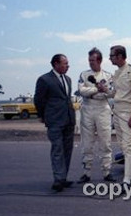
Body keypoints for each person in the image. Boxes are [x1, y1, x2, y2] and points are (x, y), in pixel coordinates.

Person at [34, 54, 76, 192]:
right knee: (57, 149)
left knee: (67, 150)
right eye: (65, 63)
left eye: (67, 63)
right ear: (56, 64)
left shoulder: (68, 79)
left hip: (68, 119)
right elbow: (39, 100)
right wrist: (42, 115)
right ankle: (58, 180)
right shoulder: (44, 79)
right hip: (54, 120)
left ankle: (63, 178)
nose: (68, 66)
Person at [77, 48, 114, 184]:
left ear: (99, 60)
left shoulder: (108, 76)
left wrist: (97, 91)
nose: (91, 63)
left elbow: (111, 93)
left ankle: (107, 171)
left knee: (105, 141)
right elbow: (82, 91)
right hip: (88, 108)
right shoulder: (84, 75)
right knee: (87, 143)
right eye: (89, 60)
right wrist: (97, 90)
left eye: (93, 60)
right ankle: (86, 173)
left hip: (102, 108)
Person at [109, 45, 131, 185]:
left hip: (128, 112)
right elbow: (115, 93)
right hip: (117, 111)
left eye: (112, 56)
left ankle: (127, 179)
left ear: (120, 56)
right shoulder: (116, 73)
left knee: (128, 146)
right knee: (123, 145)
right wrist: (104, 90)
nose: (110, 58)